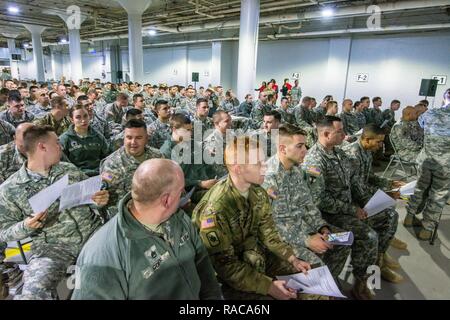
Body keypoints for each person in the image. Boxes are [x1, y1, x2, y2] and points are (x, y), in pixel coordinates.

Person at [72, 159, 222, 300]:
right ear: (166, 200)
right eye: (181, 192)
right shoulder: (102, 255)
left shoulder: (179, 219)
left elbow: (203, 267)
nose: (184, 197)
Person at [193, 135, 311, 300]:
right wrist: (268, 286)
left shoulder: (258, 193)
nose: (265, 167)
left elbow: (269, 233)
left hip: (255, 257)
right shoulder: (215, 209)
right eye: (258, 164)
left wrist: (292, 259)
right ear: (238, 168)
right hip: (227, 278)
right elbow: (226, 267)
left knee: (309, 284)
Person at [0, 125, 109, 300]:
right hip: (53, 247)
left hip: (93, 236)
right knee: (33, 293)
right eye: (57, 143)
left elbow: (92, 200)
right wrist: (25, 226)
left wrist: (99, 201)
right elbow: (3, 232)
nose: (61, 147)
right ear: (42, 147)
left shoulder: (68, 170)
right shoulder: (10, 189)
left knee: (124, 273)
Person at [303, 116, 387, 299]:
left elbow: (354, 182)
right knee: (366, 236)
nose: (345, 135)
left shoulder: (339, 153)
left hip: (346, 209)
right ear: (326, 134)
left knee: (386, 216)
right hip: (328, 215)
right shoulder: (315, 160)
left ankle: (364, 277)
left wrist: (370, 199)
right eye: (340, 131)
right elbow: (319, 199)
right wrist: (352, 210)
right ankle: (332, 284)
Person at [263, 124, 350, 280]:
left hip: (304, 228)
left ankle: (330, 283)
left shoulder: (296, 171)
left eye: (305, 145)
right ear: (283, 149)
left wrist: (322, 227)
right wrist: (307, 240)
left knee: (343, 243)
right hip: (283, 239)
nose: (305, 150)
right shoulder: (270, 177)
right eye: (300, 146)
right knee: (317, 266)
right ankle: (322, 286)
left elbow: (308, 206)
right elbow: (272, 224)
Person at [343, 124, 406, 283]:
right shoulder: (353, 155)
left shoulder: (367, 151)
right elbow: (357, 189)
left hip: (360, 196)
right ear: (366, 139)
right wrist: (385, 195)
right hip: (351, 203)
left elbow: (369, 177)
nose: (381, 145)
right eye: (378, 142)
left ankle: (381, 255)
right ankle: (379, 261)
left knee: (390, 210)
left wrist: (390, 184)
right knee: (390, 215)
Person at [405, 88, 450, 240]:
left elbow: (422, 126)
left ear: (444, 99)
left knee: (419, 188)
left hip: (425, 160)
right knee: (438, 195)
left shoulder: (429, 113)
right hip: (445, 165)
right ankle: (427, 228)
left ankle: (409, 217)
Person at [100, 119, 162, 217]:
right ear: (123, 138)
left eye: (138, 137)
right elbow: (106, 198)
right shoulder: (111, 164)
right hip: (126, 216)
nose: (133, 142)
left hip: (157, 207)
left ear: (146, 138)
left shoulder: (157, 156)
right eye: (129, 137)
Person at [160, 114, 217, 206]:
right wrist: (200, 183)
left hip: (207, 183)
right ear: (174, 129)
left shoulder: (192, 143)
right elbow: (171, 180)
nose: (190, 133)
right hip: (190, 191)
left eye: (191, 130)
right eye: (187, 130)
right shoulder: (166, 151)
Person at [59, 105, 111, 177]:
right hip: (77, 176)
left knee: (115, 179)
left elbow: (108, 156)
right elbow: (62, 164)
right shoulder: (65, 139)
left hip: (100, 173)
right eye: (78, 117)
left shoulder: (97, 136)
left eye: (85, 116)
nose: (83, 120)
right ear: (72, 120)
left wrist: (107, 173)